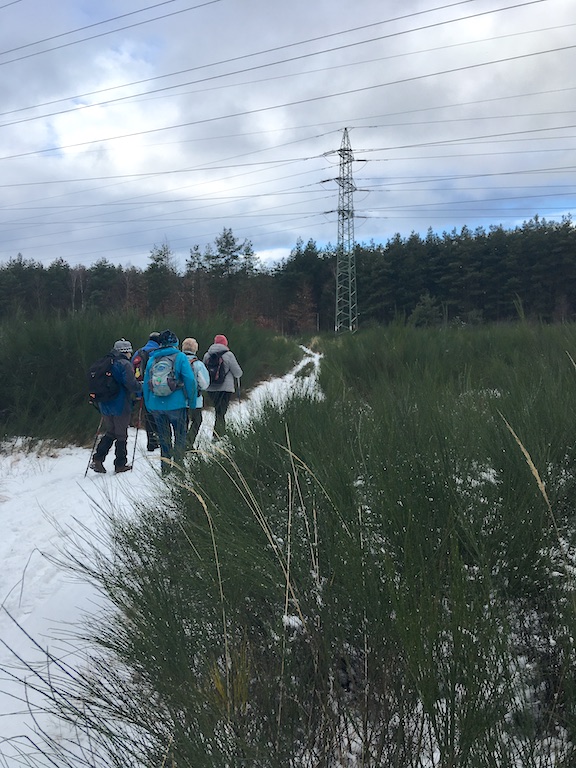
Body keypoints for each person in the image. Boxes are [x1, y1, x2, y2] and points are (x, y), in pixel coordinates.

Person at [143, 329, 197, 474]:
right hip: (176, 404)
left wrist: (148, 404)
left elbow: (146, 383)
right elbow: (190, 380)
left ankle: (165, 469)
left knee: (164, 437)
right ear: (175, 343)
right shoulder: (180, 357)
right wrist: (192, 401)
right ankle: (179, 468)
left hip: (156, 405)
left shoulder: (152, 359)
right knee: (180, 435)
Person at [90, 338, 142, 474]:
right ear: (126, 352)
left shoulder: (106, 363)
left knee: (111, 431)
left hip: (104, 403)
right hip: (120, 403)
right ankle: (120, 464)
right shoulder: (124, 364)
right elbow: (130, 384)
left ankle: (98, 458)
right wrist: (141, 387)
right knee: (121, 434)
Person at [203, 334, 243, 438]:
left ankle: (219, 433)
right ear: (225, 343)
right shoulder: (229, 355)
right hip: (225, 388)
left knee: (218, 410)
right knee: (221, 412)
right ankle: (218, 435)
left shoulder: (207, 355)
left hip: (210, 388)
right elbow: (238, 373)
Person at [131, 331, 161, 451]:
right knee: (159, 415)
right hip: (157, 389)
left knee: (148, 416)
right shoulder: (158, 352)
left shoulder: (139, 352)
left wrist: (138, 392)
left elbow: (132, 370)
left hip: (142, 389)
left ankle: (151, 443)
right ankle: (158, 440)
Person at [181, 337, 210, 447]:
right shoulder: (198, 364)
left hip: (179, 398)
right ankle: (189, 442)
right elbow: (204, 384)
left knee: (183, 422)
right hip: (195, 399)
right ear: (195, 349)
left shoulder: (177, 362)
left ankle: (180, 442)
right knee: (197, 420)